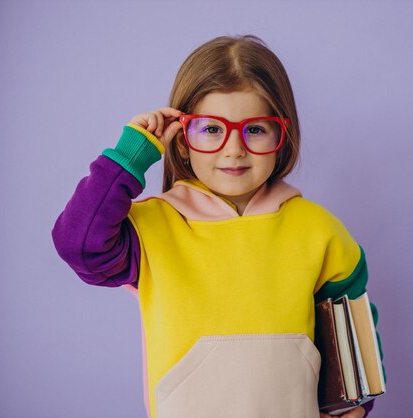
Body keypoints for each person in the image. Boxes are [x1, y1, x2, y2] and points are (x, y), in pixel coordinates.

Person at [52, 35, 384, 418]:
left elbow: (353, 339)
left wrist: (353, 408)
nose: (233, 149)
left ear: (281, 135)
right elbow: (78, 245)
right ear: (181, 142)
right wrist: (132, 155)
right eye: (211, 129)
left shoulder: (319, 230)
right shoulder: (154, 226)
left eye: (255, 129)